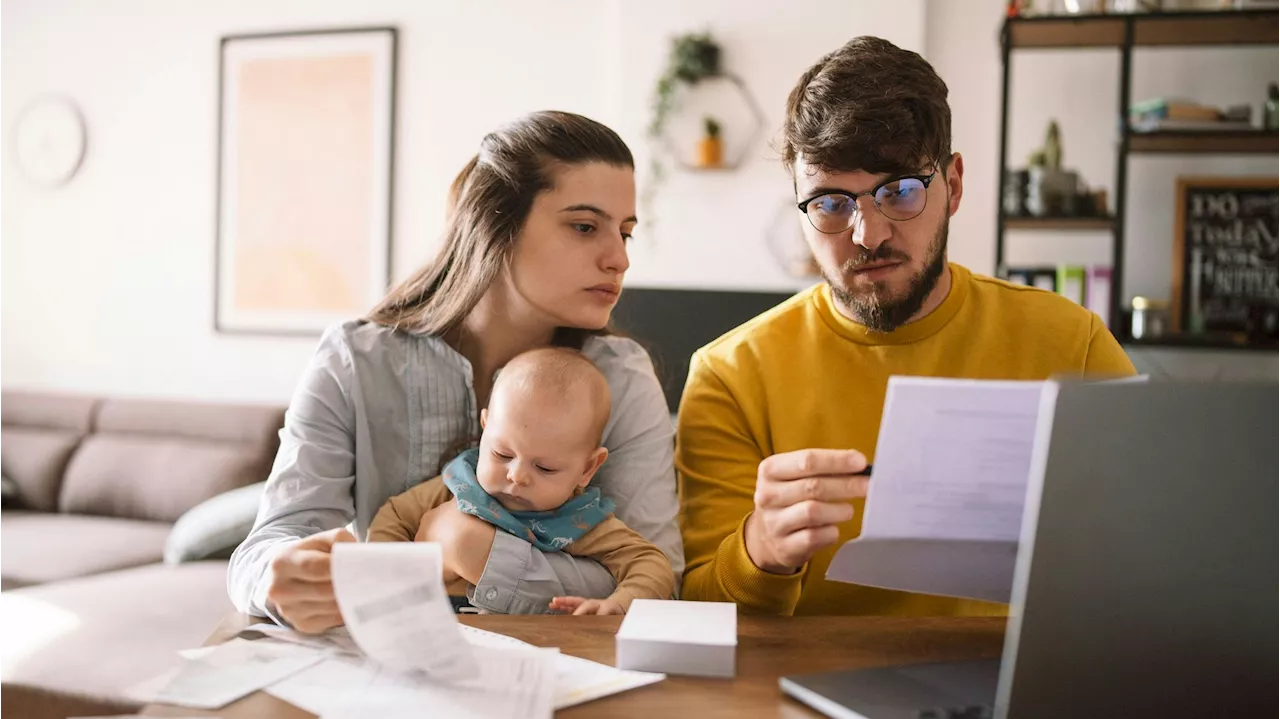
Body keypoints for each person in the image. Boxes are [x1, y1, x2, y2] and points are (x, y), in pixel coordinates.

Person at [676, 37, 1135, 616]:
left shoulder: (1074, 344)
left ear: (956, 186)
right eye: (830, 203)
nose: (868, 235)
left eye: (899, 192)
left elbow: (1152, 555)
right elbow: (697, 616)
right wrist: (760, 552)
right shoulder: (729, 376)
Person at [228, 111, 683, 633]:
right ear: (495, 226)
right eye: (585, 227)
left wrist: (470, 549)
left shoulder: (621, 378)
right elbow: (264, 549)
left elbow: (659, 578)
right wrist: (279, 579)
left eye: (625, 232)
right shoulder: (355, 361)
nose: (619, 259)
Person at [368, 347, 675, 616]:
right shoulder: (459, 484)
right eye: (502, 454)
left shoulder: (579, 520)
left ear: (587, 468)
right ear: (485, 429)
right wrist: (387, 582)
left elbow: (651, 564)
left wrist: (621, 603)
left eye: (545, 468)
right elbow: (394, 517)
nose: (517, 475)